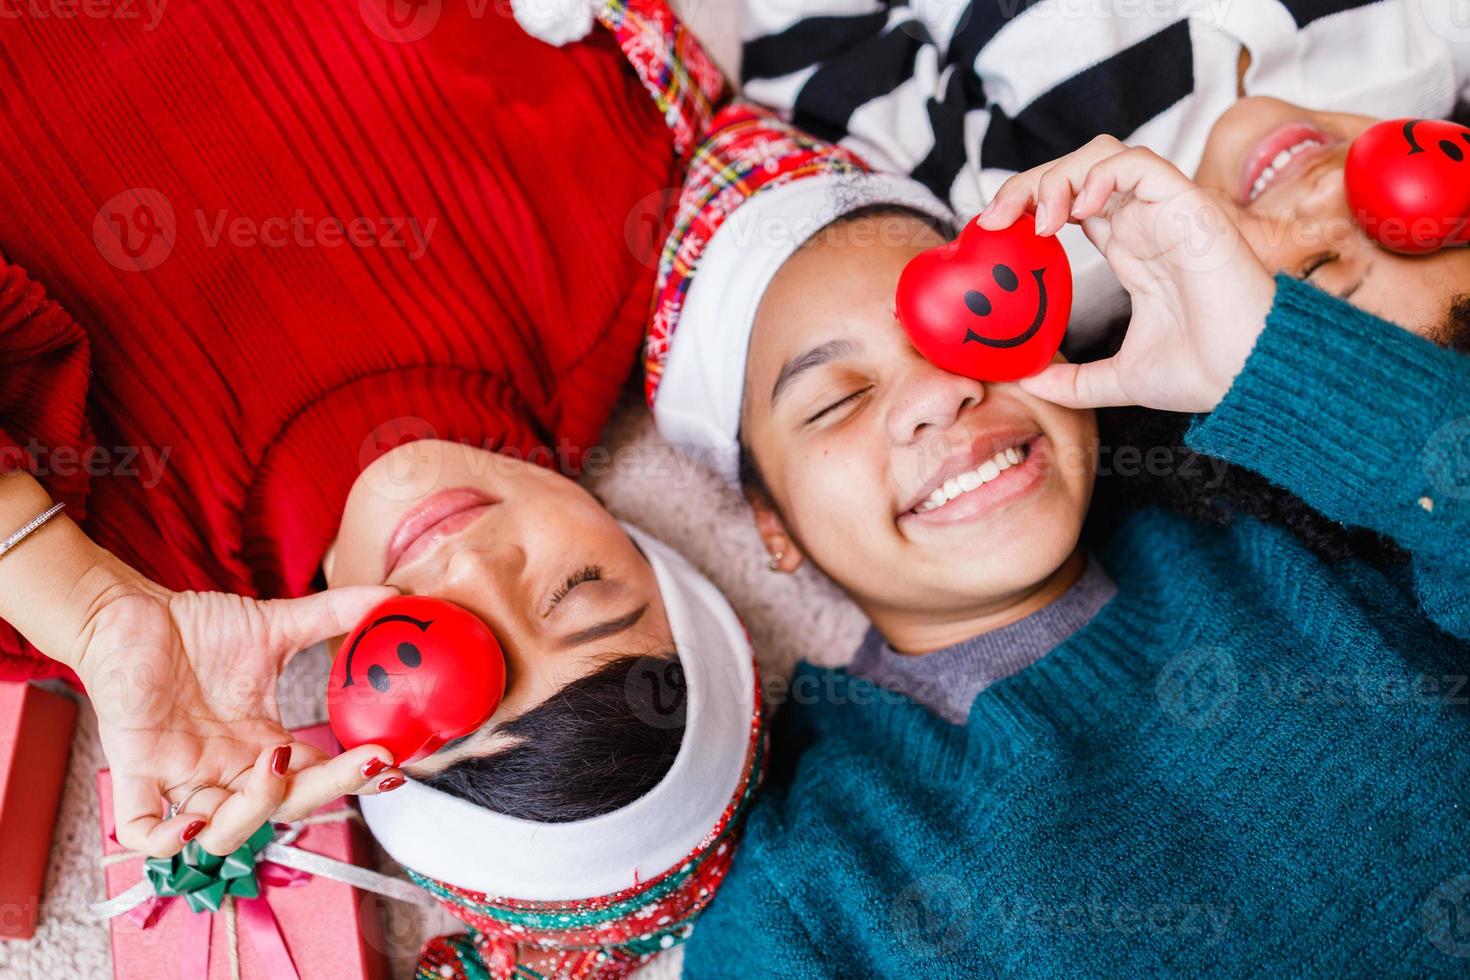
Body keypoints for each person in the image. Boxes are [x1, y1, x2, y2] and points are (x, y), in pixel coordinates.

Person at [613, 90, 1470, 971]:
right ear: (771, 524)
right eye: (837, 399)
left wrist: (1265, 358)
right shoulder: (807, 900)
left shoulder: (1315, 531)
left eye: (975, 321)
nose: (940, 393)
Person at [0, 4, 766, 975]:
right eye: (577, 593)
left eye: (440, 683)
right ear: (652, 553)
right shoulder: (611, 207)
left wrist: (90, 605)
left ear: (368, 749)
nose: (474, 564)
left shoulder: (90, 573)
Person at [727, 0, 1470, 343]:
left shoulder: (1044, 224)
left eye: (1314, 266)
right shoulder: (1426, 42)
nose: (1330, 188)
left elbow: (806, 46)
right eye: (1419, 208)